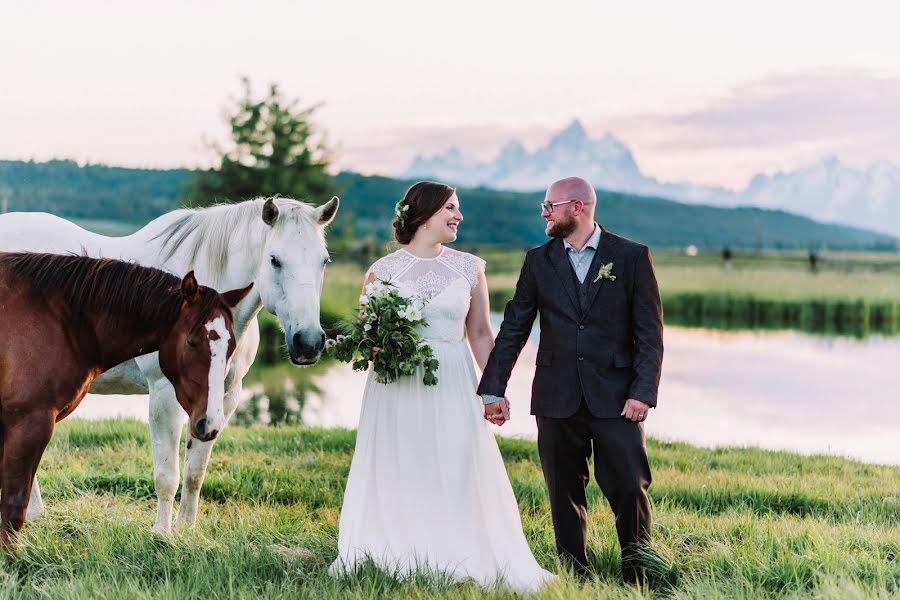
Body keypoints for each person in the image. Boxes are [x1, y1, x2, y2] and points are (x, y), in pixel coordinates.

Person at [330, 181, 556, 592]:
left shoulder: (469, 268)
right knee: (401, 460)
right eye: (451, 208)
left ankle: (459, 546)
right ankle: (401, 545)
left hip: (451, 378)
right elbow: (368, 332)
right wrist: (378, 342)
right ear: (424, 214)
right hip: (396, 383)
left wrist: (494, 390)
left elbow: (482, 334)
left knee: (457, 460)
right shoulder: (382, 272)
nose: (459, 216)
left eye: (458, 208)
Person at [477, 177, 664, 583]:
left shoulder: (630, 256)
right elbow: (514, 329)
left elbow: (649, 334)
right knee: (563, 495)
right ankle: (573, 577)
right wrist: (494, 388)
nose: (543, 213)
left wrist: (642, 393)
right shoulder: (538, 261)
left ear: (576, 207)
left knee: (630, 488)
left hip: (617, 397)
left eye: (549, 206)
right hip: (555, 396)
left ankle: (639, 576)